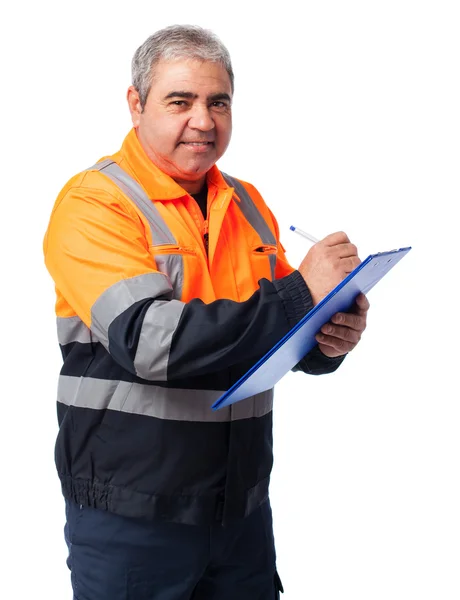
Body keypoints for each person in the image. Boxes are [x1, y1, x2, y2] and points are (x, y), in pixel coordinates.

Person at [43, 24, 369, 600]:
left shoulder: (245, 203)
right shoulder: (95, 204)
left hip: (239, 509)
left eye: (218, 102)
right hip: (134, 515)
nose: (204, 119)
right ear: (136, 104)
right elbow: (151, 343)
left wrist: (325, 339)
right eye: (180, 101)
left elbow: (270, 335)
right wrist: (301, 293)